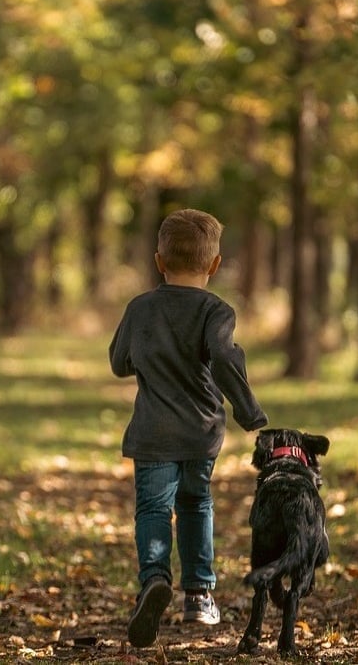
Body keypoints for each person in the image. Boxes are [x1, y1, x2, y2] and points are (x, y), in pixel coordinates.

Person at [109, 208, 268, 648]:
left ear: (159, 261)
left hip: (152, 434)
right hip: (201, 434)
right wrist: (251, 413)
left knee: (154, 510)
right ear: (214, 265)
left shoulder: (140, 308)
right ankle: (199, 594)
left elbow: (119, 362)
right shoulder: (217, 311)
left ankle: (154, 581)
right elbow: (226, 361)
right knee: (197, 503)